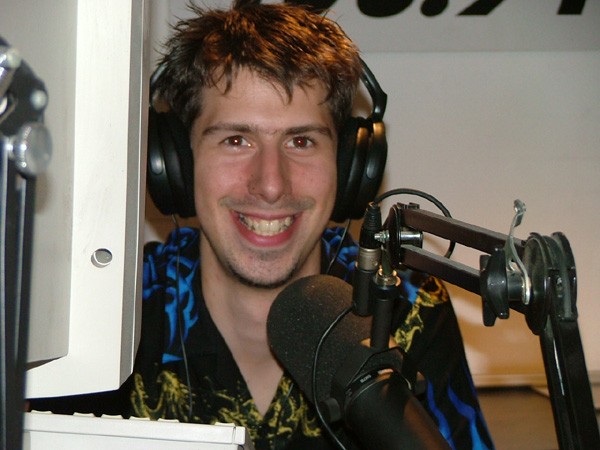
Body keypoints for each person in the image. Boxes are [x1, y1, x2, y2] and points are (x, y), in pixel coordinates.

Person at [31, 1, 495, 449]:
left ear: (349, 165)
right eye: (236, 139)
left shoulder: (404, 305)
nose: (271, 185)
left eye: (301, 141)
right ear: (176, 163)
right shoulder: (112, 308)